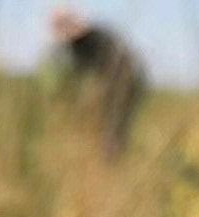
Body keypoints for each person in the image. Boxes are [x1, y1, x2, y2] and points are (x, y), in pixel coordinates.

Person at [49, 7, 144, 157]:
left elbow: (81, 74)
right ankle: (112, 156)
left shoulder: (86, 40)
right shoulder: (92, 36)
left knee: (113, 124)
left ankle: (111, 160)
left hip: (121, 81)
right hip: (124, 80)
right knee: (114, 125)